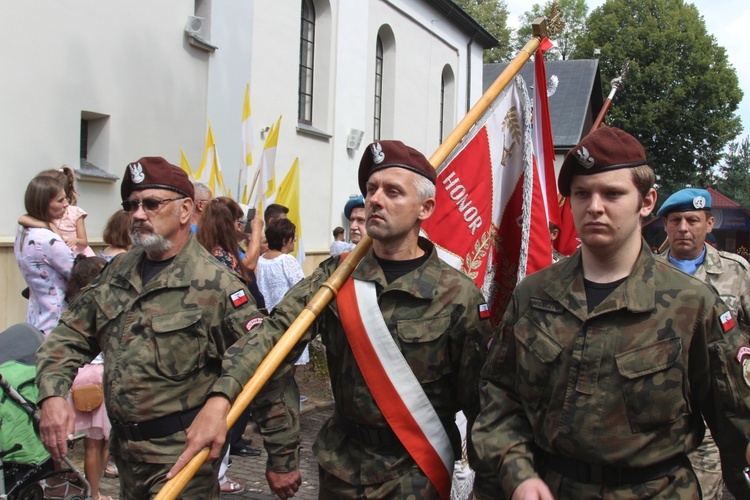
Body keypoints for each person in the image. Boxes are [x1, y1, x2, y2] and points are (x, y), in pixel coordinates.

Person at [169, 140, 493, 499]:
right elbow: (273, 336)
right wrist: (221, 397)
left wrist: (489, 485)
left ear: (425, 207)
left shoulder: (457, 294)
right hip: (342, 469)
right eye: (371, 190)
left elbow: (483, 402)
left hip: (417, 471)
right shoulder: (335, 278)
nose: (375, 200)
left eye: (393, 192)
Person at [470, 127, 750, 499]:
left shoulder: (692, 305)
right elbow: (499, 397)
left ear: (647, 201)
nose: (595, 207)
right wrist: (517, 472)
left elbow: (739, 424)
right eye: (582, 194)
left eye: (613, 193)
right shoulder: (534, 296)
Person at [35, 157, 266, 499]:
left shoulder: (216, 284)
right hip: (126, 456)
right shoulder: (117, 272)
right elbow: (69, 337)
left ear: (186, 210)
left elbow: (261, 361)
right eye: (132, 205)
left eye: (152, 203)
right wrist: (53, 394)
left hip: (182, 458)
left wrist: (282, 457)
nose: (139, 214)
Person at [658, 187, 750, 498]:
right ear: (666, 225)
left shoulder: (736, 272)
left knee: (708, 491)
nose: (684, 228)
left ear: (709, 224)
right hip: (661, 413)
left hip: (717, 411)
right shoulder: (646, 274)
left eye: (693, 220)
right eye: (676, 220)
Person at [64, 255, 112, 500]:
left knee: (74, 443)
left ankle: (60, 485)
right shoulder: (103, 304)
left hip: (75, 376)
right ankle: (94, 494)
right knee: (98, 443)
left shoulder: (71, 304)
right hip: (98, 376)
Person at [14, 172, 76, 335]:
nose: (66, 204)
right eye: (60, 200)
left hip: (37, 318)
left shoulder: (24, 231)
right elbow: (79, 274)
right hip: (57, 323)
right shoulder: (48, 240)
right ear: (43, 204)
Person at [256, 218, 308, 378]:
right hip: (288, 321)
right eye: (294, 237)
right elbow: (303, 289)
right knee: (288, 372)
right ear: (285, 240)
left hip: (267, 322)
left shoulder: (260, 260)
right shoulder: (287, 260)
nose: (294, 242)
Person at [19, 166, 95, 257]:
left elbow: (84, 242)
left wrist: (76, 240)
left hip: (79, 256)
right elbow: (22, 219)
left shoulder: (75, 213)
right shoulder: (48, 215)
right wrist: (48, 225)